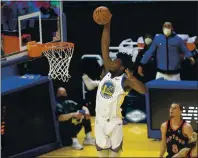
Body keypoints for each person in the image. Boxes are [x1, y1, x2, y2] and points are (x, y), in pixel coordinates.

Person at [95, 16, 147, 157]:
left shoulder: (125, 80)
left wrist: (133, 80)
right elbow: (104, 45)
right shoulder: (106, 70)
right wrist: (107, 24)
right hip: (99, 121)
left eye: (115, 61)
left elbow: (144, 90)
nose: (111, 62)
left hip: (114, 123)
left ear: (122, 66)